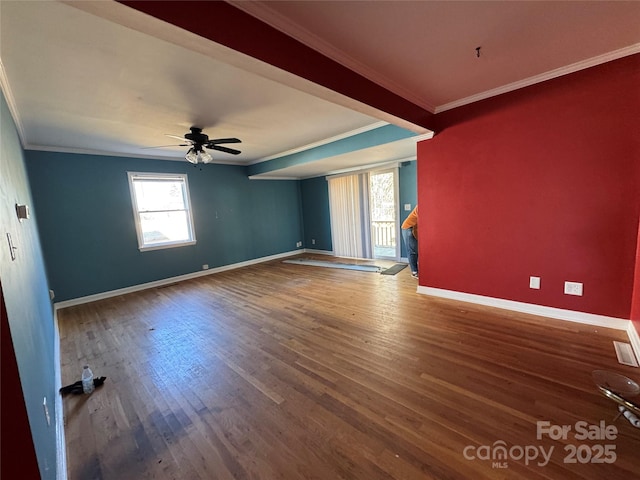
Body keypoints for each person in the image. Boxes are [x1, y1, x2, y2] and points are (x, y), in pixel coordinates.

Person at [401, 205, 419, 278]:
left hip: (414, 228)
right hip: (408, 227)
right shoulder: (420, 206)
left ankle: (416, 270)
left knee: (415, 251)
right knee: (412, 251)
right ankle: (414, 272)